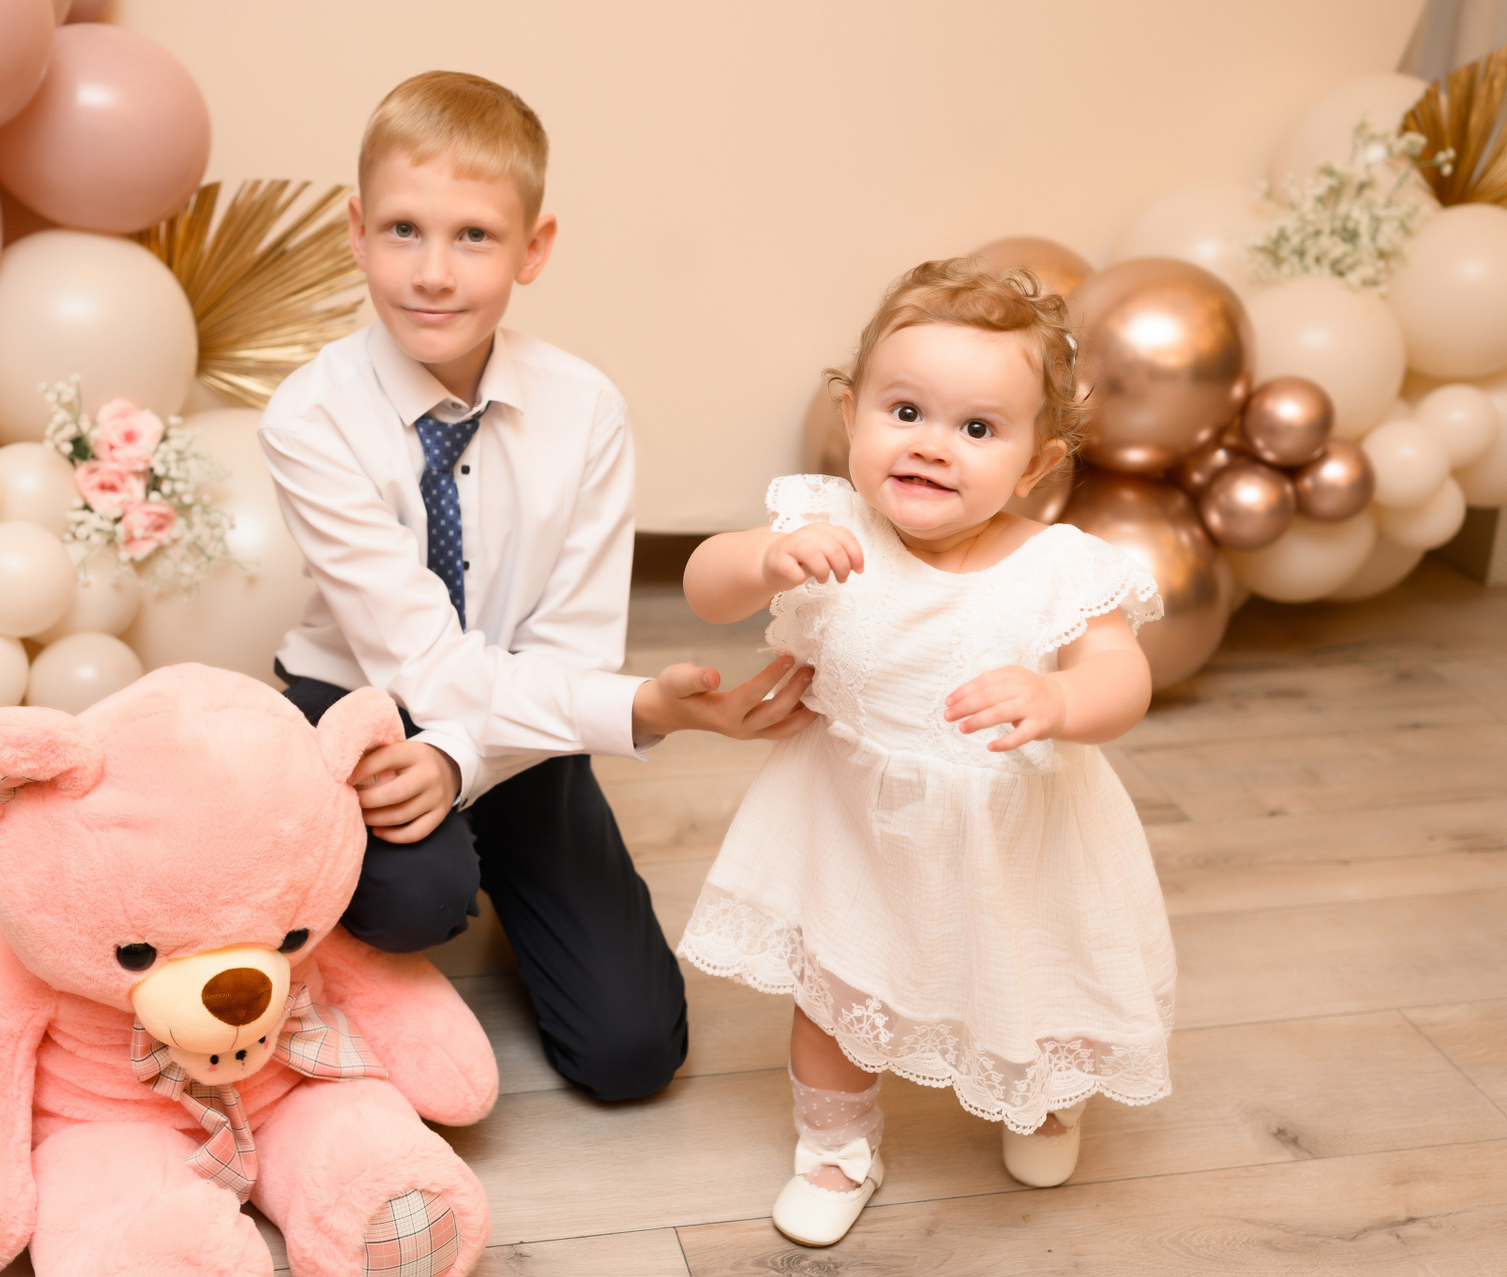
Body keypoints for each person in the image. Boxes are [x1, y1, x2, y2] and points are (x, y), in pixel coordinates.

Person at [259, 71, 815, 1103]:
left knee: (631, 1053)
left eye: (474, 236)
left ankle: (503, 857)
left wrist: (461, 759)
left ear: (534, 248)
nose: (433, 272)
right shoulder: (310, 417)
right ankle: (352, 924)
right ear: (357, 233)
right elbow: (417, 660)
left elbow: (573, 648)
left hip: (526, 711)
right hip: (361, 697)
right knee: (418, 895)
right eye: (403, 230)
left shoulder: (585, 408)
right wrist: (643, 710)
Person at [677, 259, 1177, 1247]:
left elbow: (1124, 675)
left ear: (1034, 464)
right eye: (905, 411)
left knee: (1032, 976)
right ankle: (836, 1145)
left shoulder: (1058, 566)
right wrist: (763, 560)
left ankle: (1042, 1099)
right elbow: (704, 585)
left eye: (978, 428)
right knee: (835, 992)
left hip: (1012, 835)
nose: (932, 445)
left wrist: (1062, 696)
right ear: (851, 414)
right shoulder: (827, 527)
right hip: (851, 823)